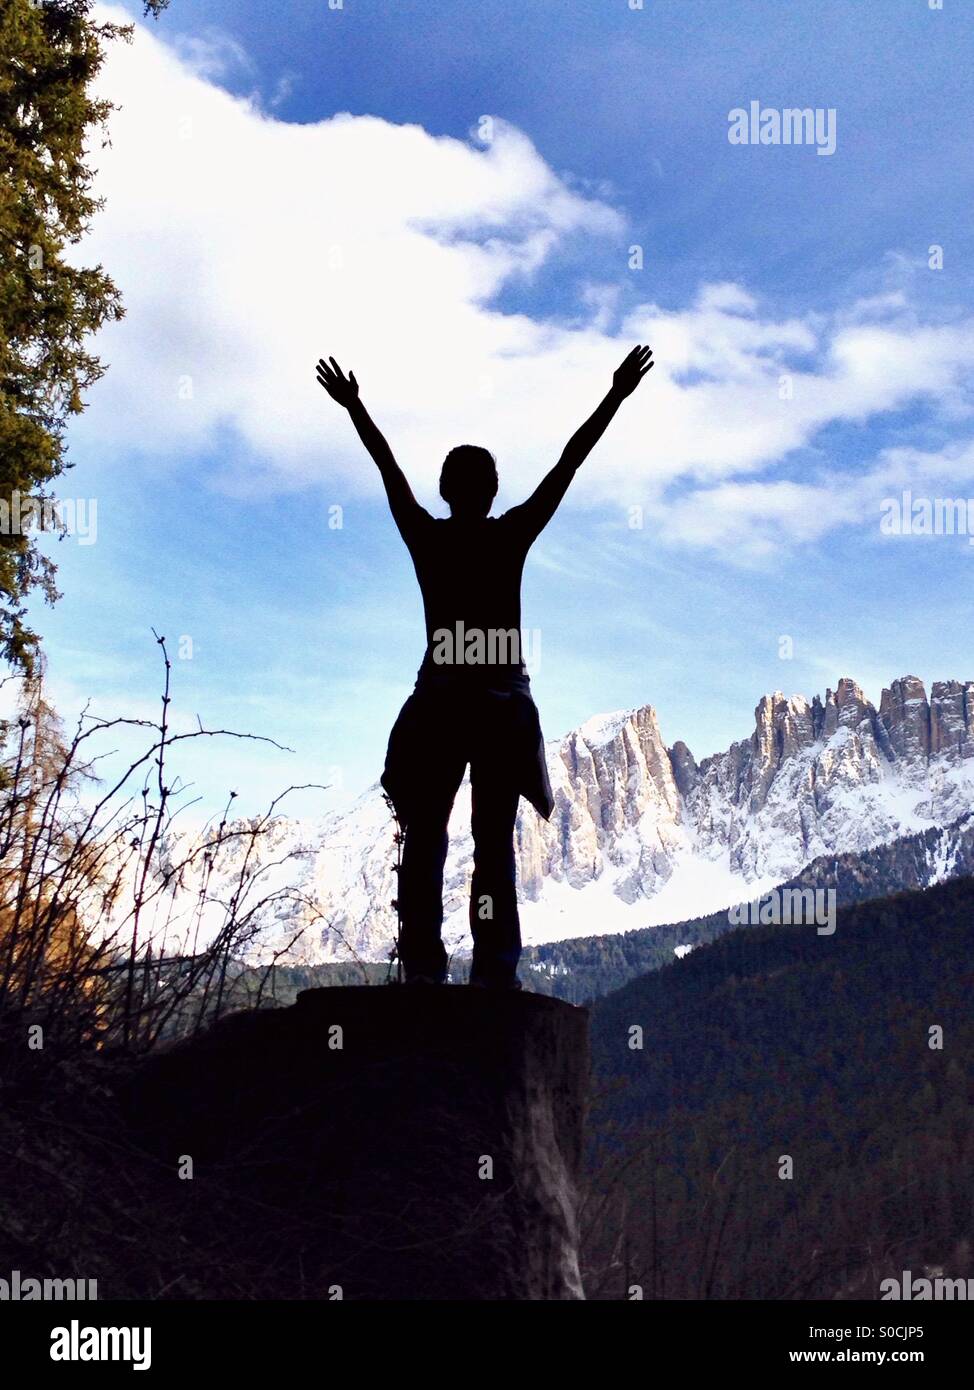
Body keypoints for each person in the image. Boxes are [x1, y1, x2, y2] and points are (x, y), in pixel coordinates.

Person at [316, 345, 654, 987]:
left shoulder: (427, 535)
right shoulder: (510, 534)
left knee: (425, 840)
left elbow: (388, 471)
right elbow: (567, 465)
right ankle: (496, 972)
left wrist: (355, 407)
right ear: (493, 491)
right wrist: (614, 395)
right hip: (501, 708)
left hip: (440, 702)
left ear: (445, 491)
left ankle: (421, 969)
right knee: (493, 846)